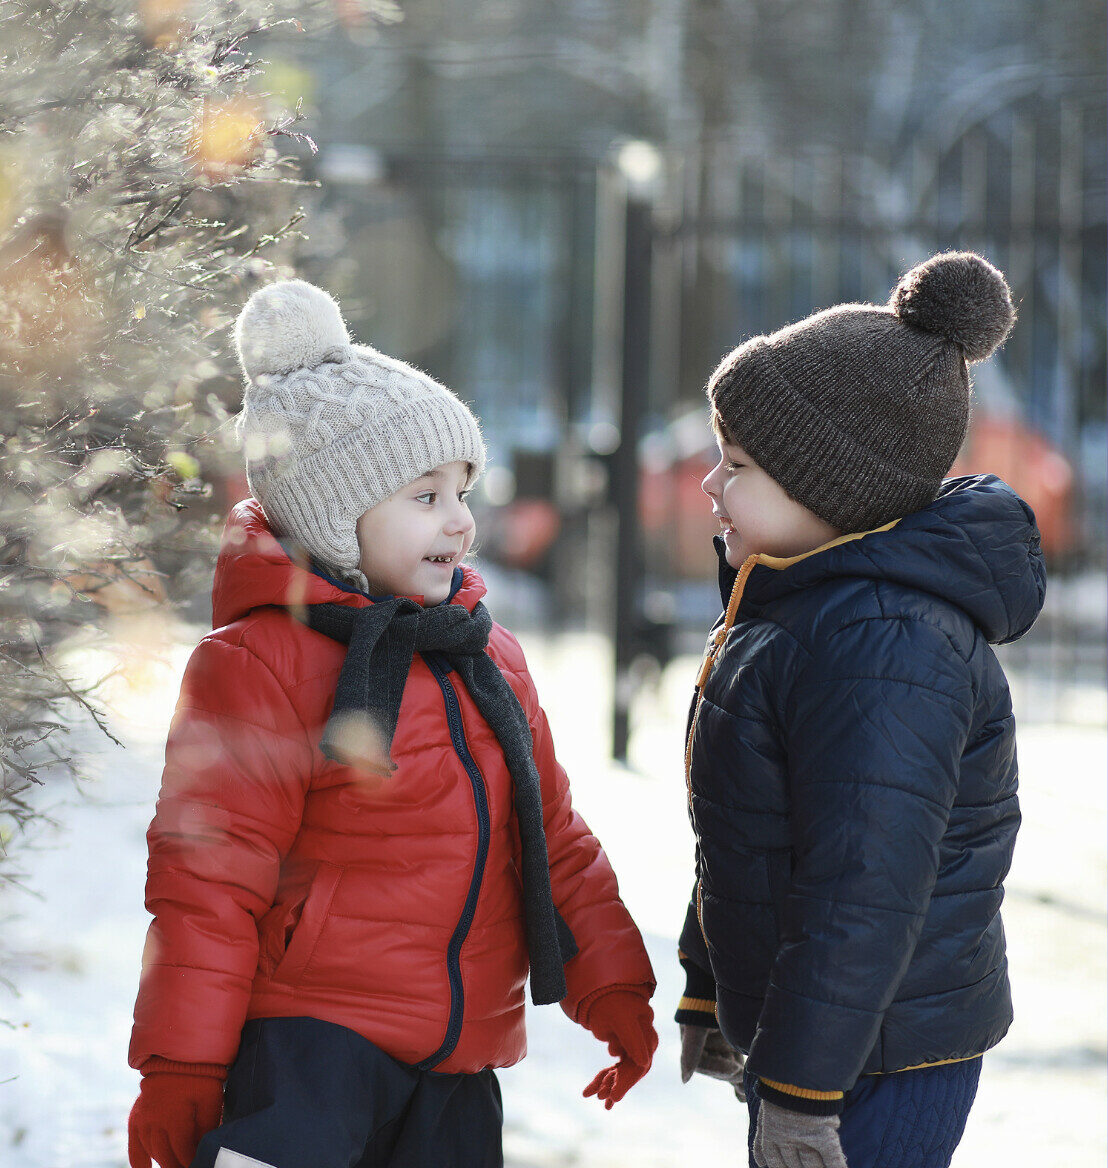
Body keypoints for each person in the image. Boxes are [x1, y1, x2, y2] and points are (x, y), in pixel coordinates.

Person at [126, 279, 657, 1168]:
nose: (461, 520)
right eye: (424, 496)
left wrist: (615, 988)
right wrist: (180, 1064)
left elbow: (552, 836)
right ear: (336, 518)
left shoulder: (489, 659)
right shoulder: (263, 665)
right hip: (310, 1053)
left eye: (462, 489)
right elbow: (208, 880)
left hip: (457, 1065)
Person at [674, 252, 1046, 1168]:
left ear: (829, 488)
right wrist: (713, 985)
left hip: (881, 1055)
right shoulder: (799, 607)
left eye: (739, 463)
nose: (709, 486)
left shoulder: (883, 642)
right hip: (829, 1043)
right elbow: (752, 834)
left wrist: (803, 1093)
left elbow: (863, 891)